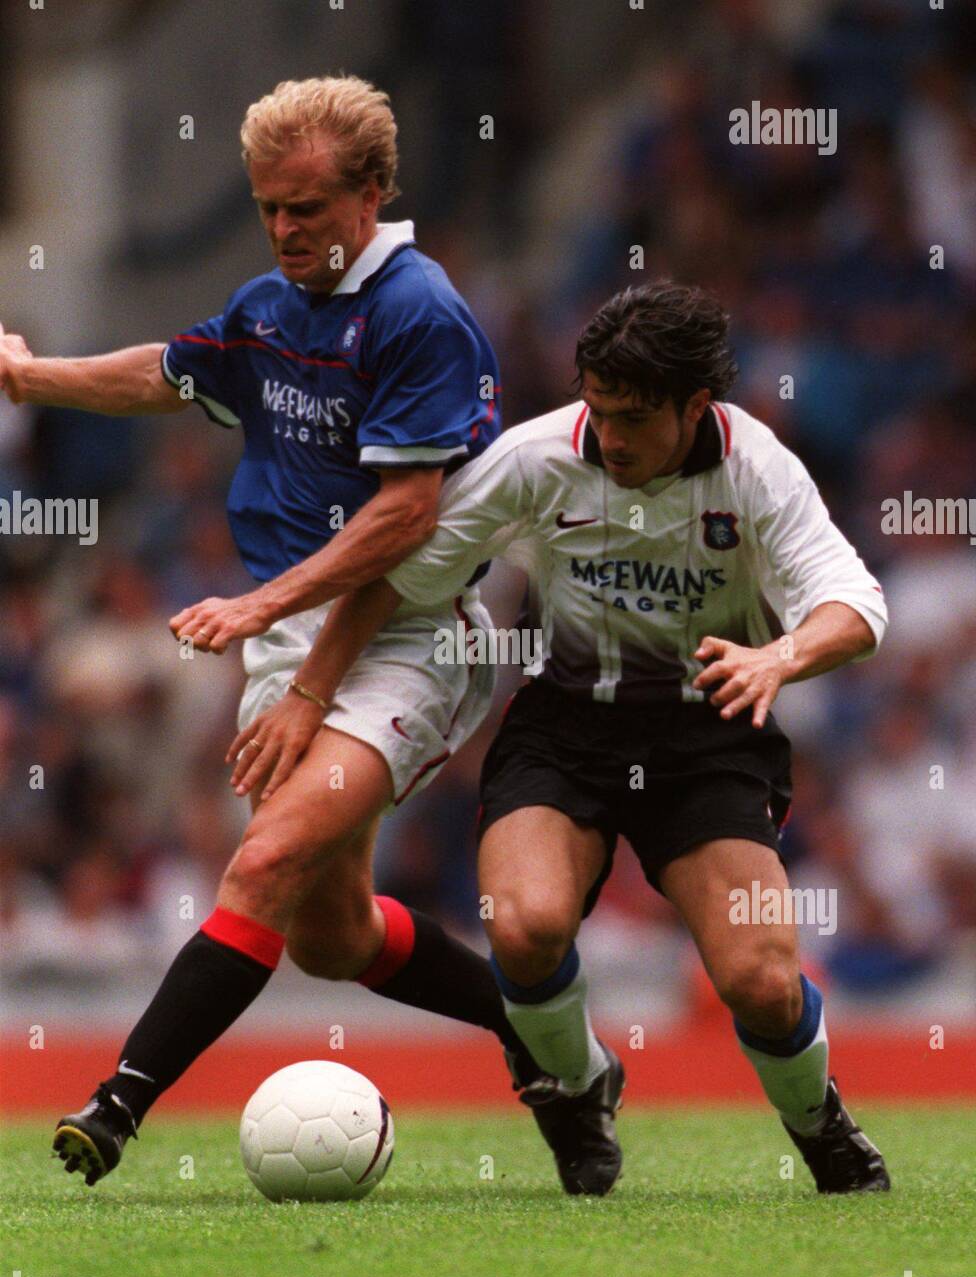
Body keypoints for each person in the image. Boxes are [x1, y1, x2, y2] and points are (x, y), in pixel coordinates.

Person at [0, 74, 548, 1186]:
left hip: (411, 634)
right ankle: (537, 1034)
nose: (287, 230)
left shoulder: (418, 312)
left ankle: (116, 1105)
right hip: (295, 637)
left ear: (373, 195)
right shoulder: (270, 304)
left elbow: (408, 514)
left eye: (306, 207)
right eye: (268, 209)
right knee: (331, 934)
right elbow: (168, 373)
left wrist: (258, 604)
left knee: (266, 857)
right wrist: (26, 375)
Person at [250, 281, 893, 1197]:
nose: (610, 435)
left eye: (633, 417)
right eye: (598, 407)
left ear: (694, 408)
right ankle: (578, 1088)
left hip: (705, 737)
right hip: (564, 730)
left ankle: (821, 1124)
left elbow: (858, 605)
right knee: (523, 926)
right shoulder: (537, 457)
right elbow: (397, 575)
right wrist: (310, 691)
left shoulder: (759, 469)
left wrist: (778, 657)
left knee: (758, 981)